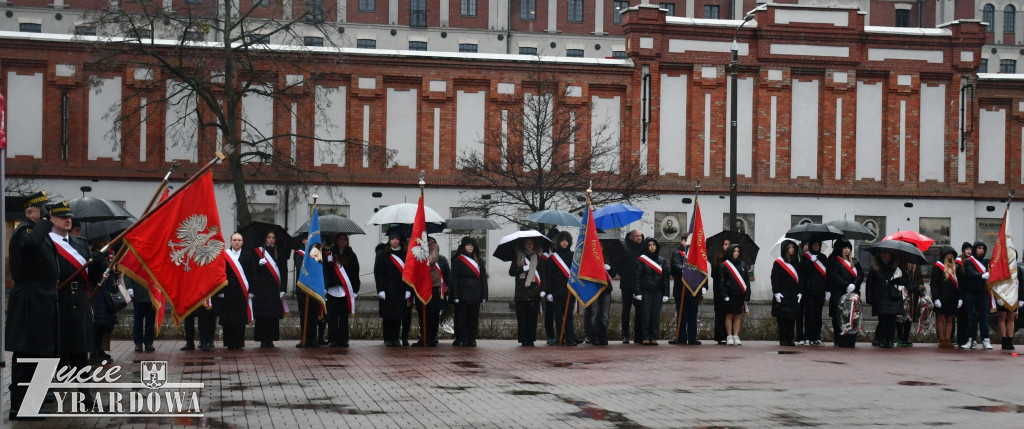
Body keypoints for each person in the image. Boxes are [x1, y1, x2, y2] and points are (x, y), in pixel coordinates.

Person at [6, 191, 56, 420]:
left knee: (44, 350)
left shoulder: (39, 232)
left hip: (43, 297)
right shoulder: (23, 231)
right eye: (42, 211)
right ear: (30, 212)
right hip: (29, 298)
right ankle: (20, 405)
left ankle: (34, 401)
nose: (47, 216)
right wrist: (45, 222)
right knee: (28, 351)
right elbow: (32, 243)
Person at [50, 201, 105, 407]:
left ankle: (85, 395)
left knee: (81, 350)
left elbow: (90, 277)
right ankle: (45, 390)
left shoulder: (80, 243)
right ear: (52, 220)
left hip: (80, 300)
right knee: (55, 349)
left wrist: (98, 262)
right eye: (62, 217)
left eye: (69, 217)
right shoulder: (48, 243)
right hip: (60, 300)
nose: (67, 220)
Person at [374, 230, 410, 347]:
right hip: (387, 289)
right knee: (388, 315)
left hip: (401, 289)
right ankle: (387, 338)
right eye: (393, 239)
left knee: (398, 315)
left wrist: (408, 289)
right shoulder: (383, 253)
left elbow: (409, 273)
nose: (395, 241)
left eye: (397, 239)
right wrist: (380, 289)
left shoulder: (405, 254)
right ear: (389, 240)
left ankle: (395, 337)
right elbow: (378, 273)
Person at [253, 231, 288, 348]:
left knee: (272, 316)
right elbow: (252, 270)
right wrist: (258, 264)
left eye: (273, 237)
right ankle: (263, 339)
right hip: (261, 288)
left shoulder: (280, 252)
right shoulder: (258, 252)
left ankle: (271, 339)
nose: (271, 239)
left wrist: (283, 288)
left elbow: (284, 271)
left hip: (274, 288)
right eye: (269, 237)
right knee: (262, 315)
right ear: (265, 239)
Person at [324, 233, 360, 347]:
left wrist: (355, 289)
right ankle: (333, 339)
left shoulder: (351, 255)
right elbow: (325, 272)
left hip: (346, 291)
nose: (343, 242)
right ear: (336, 241)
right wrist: (328, 261)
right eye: (340, 239)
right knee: (332, 316)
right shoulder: (329, 254)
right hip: (333, 290)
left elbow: (355, 273)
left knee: (344, 316)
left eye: (345, 239)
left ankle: (344, 339)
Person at [451, 236, 488, 347]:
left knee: (473, 318)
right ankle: (462, 338)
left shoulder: (479, 260)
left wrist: (484, 295)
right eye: (467, 245)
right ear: (463, 246)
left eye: (471, 245)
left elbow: (483, 279)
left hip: (476, 294)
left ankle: (472, 338)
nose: (470, 247)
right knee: (462, 318)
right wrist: (455, 295)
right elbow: (454, 278)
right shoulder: (458, 259)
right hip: (462, 294)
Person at [219, 232, 252, 350]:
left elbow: (252, 274)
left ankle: (239, 342)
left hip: (242, 291)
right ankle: (228, 342)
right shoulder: (224, 255)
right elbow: (220, 273)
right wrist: (221, 291)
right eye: (234, 240)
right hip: (228, 291)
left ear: (242, 242)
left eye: (239, 240)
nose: (236, 242)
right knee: (228, 317)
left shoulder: (248, 255)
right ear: (231, 242)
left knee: (240, 318)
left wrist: (251, 291)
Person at [827, 239, 862, 347]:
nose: (846, 250)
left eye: (848, 248)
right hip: (840, 293)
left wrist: (854, 284)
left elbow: (860, 275)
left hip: (853, 293)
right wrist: (846, 284)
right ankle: (840, 340)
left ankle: (851, 339)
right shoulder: (835, 262)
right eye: (844, 248)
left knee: (853, 316)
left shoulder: (855, 261)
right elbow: (834, 276)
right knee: (841, 316)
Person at [866, 250, 904, 349]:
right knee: (882, 320)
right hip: (880, 297)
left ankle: (890, 339)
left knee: (892, 320)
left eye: (887, 253)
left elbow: (903, 281)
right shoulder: (875, 267)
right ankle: (882, 339)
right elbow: (869, 283)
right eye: (883, 253)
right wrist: (869, 298)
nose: (885, 255)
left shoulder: (896, 268)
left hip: (893, 297)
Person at [634, 238, 669, 345]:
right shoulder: (641, 260)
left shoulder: (662, 261)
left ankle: (653, 337)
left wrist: (666, 293)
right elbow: (637, 277)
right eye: (650, 245)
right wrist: (638, 292)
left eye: (654, 245)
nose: (652, 247)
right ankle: (645, 336)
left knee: (655, 315)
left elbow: (666, 278)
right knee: (646, 314)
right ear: (646, 247)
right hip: (645, 291)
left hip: (658, 292)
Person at [670, 234, 703, 345]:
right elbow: (676, 267)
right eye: (686, 241)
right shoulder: (677, 254)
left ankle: (692, 337)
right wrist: (687, 269)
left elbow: (702, 271)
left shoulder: (697, 255)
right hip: (681, 290)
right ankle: (681, 337)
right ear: (682, 241)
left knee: (693, 315)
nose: (688, 243)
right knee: (682, 315)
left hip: (694, 290)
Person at [89, 237, 118, 364]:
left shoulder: (105, 257)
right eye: (103, 241)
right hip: (99, 294)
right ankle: (94, 351)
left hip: (106, 294)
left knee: (105, 323)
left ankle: (100, 349)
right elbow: (93, 275)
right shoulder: (95, 257)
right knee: (99, 323)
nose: (106, 244)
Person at [547, 231, 579, 346]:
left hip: (569, 290)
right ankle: (560, 336)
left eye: (566, 241)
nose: (564, 243)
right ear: (559, 242)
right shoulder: (553, 258)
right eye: (562, 241)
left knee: (569, 315)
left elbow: (576, 274)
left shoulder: (573, 256)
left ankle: (570, 337)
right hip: (556, 291)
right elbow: (549, 276)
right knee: (558, 315)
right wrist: (549, 292)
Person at [510, 237, 542, 347]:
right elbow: (511, 272)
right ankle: (523, 339)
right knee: (522, 318)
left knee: (532, 318)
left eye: (531, 243)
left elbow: (543, 274)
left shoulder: (538, 257)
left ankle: (531, 339)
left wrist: (543, 290)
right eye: (527, 243)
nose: (529, 245)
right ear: (523, 245)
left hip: (534, 290)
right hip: (521, 291)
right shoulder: (518, 256)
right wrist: (523, 268)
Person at [415, 236, 446, 347]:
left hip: (432, 284)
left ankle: (431, 338)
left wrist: (425, 260)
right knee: (421, 313)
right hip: (419, 284)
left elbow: (433, 256)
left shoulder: (433, 245)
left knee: (431, 312)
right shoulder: (415, 244)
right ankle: (423, 337)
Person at [961, 241, 993, 350]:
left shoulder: (987, 261)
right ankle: (971, 339)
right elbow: (970, 272)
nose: (981, 250)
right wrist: (981, 275)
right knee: (971, 318)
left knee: (984, 318)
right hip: (971, 293)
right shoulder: (968, 261)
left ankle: (986, 340)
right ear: (975, 249)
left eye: (983, 248)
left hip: (983, 293)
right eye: (979, 248)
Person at [294, 235, 323, 348]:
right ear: (303, 240)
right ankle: (304, 338)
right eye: (306, 239)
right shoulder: (299, 253)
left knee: (313, 315)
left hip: (314, 288)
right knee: (304, 315)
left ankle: (313, 339)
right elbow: (300, 267)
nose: (308, 241)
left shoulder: (317, 253)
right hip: (303, 289)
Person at [772, 239, 801, 346]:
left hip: (793, 294)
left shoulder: (796, 263)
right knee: (782, 318)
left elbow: (801, 278)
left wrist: (800, 292)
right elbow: (774, 278)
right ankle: (783, 338)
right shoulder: (778, 262)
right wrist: (776, 292)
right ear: (785, 249)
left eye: (793, 248)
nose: (791, 250)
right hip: (782, 294)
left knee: (791, 318)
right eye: (789, 248)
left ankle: (790, 338)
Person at [720, 244, 751, 345]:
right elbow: (722, 282)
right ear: (730, 252)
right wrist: (724, 295)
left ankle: (736, 336)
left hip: (739, 295)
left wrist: (747, 295)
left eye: (738, 251)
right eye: (734, 251)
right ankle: (729, 336)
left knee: (737, 315)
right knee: (729, 315)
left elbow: (747, 282)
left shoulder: (743, 265)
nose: (736, 253)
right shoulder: (725, 265)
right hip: (729, 295)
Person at [931, 246, 961, 349]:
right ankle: (942, 339)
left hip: (952, 297)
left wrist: (960, 298)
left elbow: (959, 284)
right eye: (948, 253)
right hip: (941, 297)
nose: (950, 255)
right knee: (940, 319)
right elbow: (934, 284)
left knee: (950, 319)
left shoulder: (956, 267)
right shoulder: (937, 267)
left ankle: (948, 340)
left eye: (951, 253)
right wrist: (936, 298)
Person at [799, 240, 828, 346]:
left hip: (820, 290)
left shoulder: (823, 257)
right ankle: (808, 336)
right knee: (809, 315)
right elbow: (803, 272)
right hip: (809, 290)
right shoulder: (805, 257)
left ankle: (816, 337)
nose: (816, 246)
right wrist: (810, 261)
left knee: (818, 315)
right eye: (814, 244)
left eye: (818, 244)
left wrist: (828, 290)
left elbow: (827, 274)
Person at [587, 242, 616, 346]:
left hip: (606, 289)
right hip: (594, 288)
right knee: (594, 313)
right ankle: (595, 336)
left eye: (601, 246)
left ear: (603, 247)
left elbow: (614, 274)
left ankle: (604, 336)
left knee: (604, 314)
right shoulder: (590, 258)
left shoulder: (608, 257)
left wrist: (609, 268)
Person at [619, 230, 644, 344]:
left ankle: (638, 335)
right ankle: (625, 335)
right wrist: (625, 272)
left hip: (639, 284)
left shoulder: (643, 249)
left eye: (640, 236)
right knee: (626, 310)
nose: (639, 238)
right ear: (630, 237)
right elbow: (618, 264)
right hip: (627, 284)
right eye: (637, 236)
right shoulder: (624, 248)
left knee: (640, 310)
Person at [541, 227, 560, 345]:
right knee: (548, 313)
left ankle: (560, 334)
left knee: (559, 313)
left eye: (556, 238)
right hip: (547, 286)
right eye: (553, 238)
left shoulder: (560, 251)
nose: (554, 240)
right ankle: (550, 335)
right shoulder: (544, 253)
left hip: (558, 286)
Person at [711, 239, 732, 345]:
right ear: (721, 246)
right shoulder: (718, 257)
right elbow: (713, 274)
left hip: (729, 289)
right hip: (719, 289)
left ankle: (729, 335)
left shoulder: (732, 258)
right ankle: (720, 336)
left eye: (729, 244)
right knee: (720, 312)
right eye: (725, 244)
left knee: (728, 313)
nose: (727, 246)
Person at [129, 276, 156, 352]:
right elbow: (128, 272)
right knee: (138, 320)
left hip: (151, 293)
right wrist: (129, 287)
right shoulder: (135, 263)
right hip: (138, 292)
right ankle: (138, 343)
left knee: (150, 321)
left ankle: (149, 342)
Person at [954, 242, 972, 348]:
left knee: (969, 317)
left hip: (970, 291)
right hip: (960, 292)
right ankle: (961, 339)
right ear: (963, 250)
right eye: (967, 249)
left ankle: (969, 338)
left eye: (970, 249)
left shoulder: (973, 261)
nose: (969, 251)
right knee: (961, 317)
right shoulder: (958, 262)